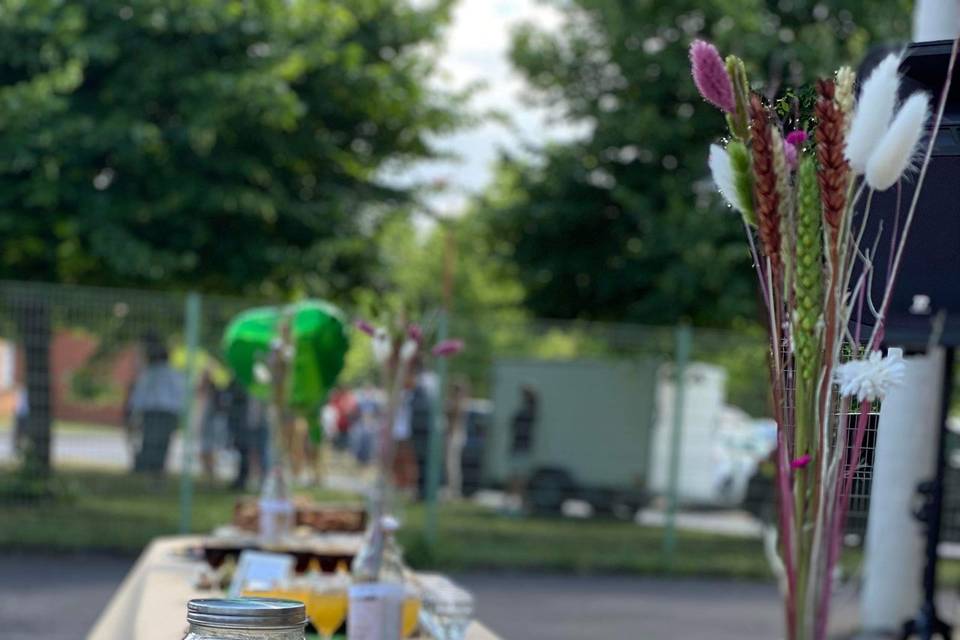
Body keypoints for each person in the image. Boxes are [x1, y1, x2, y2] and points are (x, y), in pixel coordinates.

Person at [128, 336, 186, 475]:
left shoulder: (149, 372)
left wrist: (134, 410)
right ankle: (155, 467)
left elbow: (140, 394)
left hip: (153, 411)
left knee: (150, 439)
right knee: (161, 442)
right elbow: (181, 393)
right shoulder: (173, 373)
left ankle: (148, 467)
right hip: (167, 412)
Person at [196, 371, 225, 481]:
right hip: (204, 427)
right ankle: (207, 471)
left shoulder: (212, 397)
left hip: (208, 428)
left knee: (208, 450)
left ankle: (210, 472)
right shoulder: (202, 395)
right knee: (204, 450)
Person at [444, 378, 470, 500]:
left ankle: (454, 491)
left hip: (454, 435)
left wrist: (450, 434)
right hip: (456, 434)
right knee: (452, 464)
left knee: (452, 464)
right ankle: (453, 489)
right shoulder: (460, 402)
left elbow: (454, 420)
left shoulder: (459, 402)